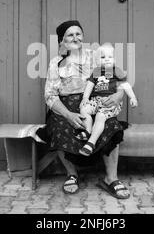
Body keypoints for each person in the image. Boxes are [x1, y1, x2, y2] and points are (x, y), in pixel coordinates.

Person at [36, 20, 131, 199]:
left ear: (83, 37)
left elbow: (115, 78)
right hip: (66, 108)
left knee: (110, 124)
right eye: (70, 35)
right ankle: (71, 174)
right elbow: (50, 95)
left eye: (78, 33)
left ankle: (111, 178)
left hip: (95, 103)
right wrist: (68, 114)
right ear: (62, 41)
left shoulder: (95, 57)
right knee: (59, 125)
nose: (75, 37)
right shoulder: (56, 63)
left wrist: (119, 94)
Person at [78, 43, 138, 157]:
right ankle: (88, 130)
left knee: (101, 116)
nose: (106, 60)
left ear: (115, 59)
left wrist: (133, 97)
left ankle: (91, 143)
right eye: (102, 57)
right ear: (97, 61)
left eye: (110, 57)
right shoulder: (96, 71)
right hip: (96, 99)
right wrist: (85, 98)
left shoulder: (116, 71)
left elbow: (125, 85)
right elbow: (90, 85)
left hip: (111, 102)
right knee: (84, 109)